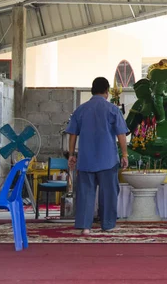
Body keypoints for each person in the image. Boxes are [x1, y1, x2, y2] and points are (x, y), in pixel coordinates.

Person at [66, 77, 129, 235]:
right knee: (109, 193)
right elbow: (121, 134)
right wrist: (125, 154)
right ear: (107, 91)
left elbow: (72, 134)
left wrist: (72, 154)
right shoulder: (113, 109)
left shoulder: (80, 110)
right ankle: (107, 225)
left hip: (86, 159)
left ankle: (85, 226)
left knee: (85, 193)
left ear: (92, 90)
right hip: (107, 159)